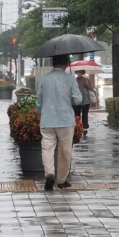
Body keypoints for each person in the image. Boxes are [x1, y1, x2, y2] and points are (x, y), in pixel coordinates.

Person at [36, 54, 82, 191]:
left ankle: (49, 173)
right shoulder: (70, 79)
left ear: (52, 63)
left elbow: (39, 100)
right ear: (67, 63)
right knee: (65, 151)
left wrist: (39, 113)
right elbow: (78, 100)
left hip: (47, 119)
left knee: (47, 148)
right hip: (65, 120)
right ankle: (62, 180)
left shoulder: (44, 78)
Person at [73, 69, 93, 134]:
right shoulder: (74, 80)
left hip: (85, 100)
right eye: (78, 71)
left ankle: (84, 128)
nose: (79, 73)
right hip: (76, 100)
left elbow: (91, 88)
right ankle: (77, 127)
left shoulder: (87, 80)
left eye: (80, 72)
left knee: (85, 114)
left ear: (83, 72)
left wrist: (87, 85)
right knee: (77, 114)